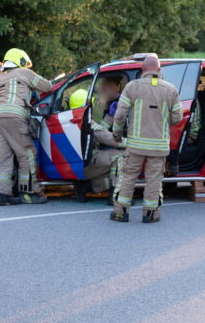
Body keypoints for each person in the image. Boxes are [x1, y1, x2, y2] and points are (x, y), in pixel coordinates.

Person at [111, 54, 182, 223]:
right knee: (154, 180)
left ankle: (121, 213)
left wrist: (117, 134)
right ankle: (150, 214)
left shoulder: (132, 87)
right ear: (159, 69)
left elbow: (120, 116)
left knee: (128, 177)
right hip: (158, 147)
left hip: (135, 146)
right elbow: (178, 117)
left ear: (142, 69)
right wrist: (163, 121)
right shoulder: (171, 89)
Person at [0, 48, 52, 205]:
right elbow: (47, 87)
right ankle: (28, 192)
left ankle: (2, 194)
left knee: (2, 157)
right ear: (21, 62)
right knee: (27, 154)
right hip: (15, 117)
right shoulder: (24, 73)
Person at [75, 78, 124, 202]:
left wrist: (110, 117)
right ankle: (115, 196)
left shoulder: (73, 121)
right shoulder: (86, 123)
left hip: (78, 163)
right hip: (85, 164)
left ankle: (85, 187)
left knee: (113, 170)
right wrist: (129, 143)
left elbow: (100, 129)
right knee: (119, 157)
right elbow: (106, 137)